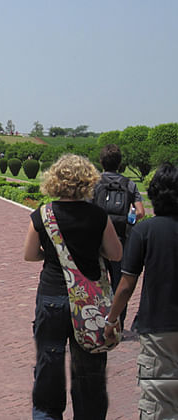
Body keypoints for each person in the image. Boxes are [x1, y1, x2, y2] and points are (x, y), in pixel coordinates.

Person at [22, 154, 122, 420]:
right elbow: (115, 253)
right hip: (88, 301)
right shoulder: (98, 216)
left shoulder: (42, 215)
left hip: (53, 295)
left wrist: (54, 257)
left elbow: (30, 254)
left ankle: (47, 413)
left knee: (49, 363)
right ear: (87, 180)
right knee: (89, 369)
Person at [104, 163, 178, 419]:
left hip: (159, 327)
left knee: (158, 401)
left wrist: (112, 319)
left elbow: (126, 285)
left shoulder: (145, 231)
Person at [93, 144, 145, 327]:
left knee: (97, 284)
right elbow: (140, 212)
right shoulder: (129, 185)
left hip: (97, 243)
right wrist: (128, 221)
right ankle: (117, 323)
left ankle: (98, 322)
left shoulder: (95, 183)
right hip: (121, 241)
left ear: (101, 162)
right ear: (120, 163)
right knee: (119, 285)